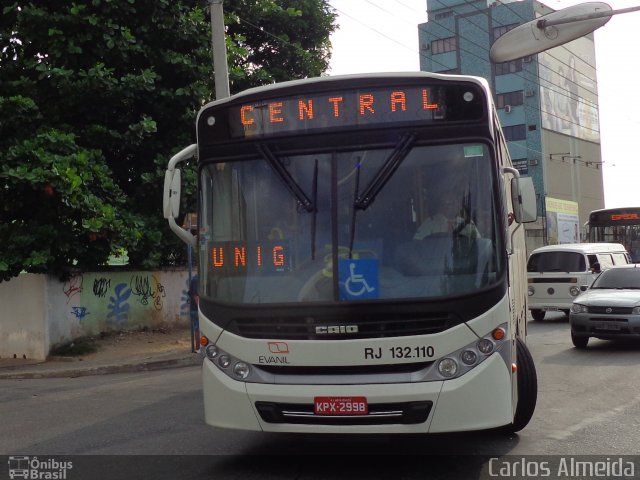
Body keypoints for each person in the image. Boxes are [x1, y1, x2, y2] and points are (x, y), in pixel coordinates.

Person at [413, 187, 480, 240]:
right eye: (445, 203)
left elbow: (478, 245)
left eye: (452, 203)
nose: (448, 206)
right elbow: (416, 243)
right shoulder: (430, 223)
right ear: (440, 206)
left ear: (457, 205)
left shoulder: (468, 224)